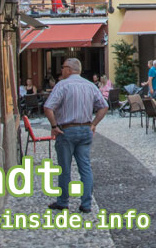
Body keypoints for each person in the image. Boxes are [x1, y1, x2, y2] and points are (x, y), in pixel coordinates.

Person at [43, 58, 108, 213]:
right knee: (85, 167)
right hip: (85, 129)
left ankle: (63, 201)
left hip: (66, 130)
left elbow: (48, 107)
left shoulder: (62, 85)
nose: (61, 70)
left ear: (69, 69)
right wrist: (93, 124)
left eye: (63, 67)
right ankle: (86, 204)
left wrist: (54, 126)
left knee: (64, 168)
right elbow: (103, 107)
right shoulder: (90, 86)